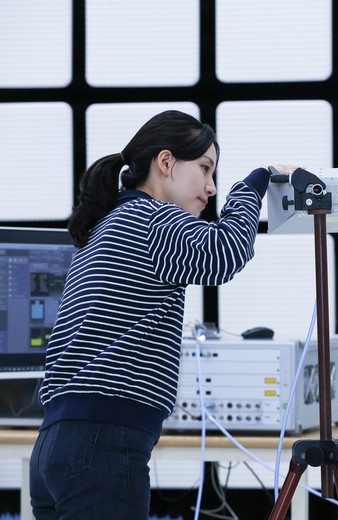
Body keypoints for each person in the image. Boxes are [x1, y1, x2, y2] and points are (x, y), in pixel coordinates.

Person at [28, 110, 274, 519]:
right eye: (205, 168)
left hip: (54, 447)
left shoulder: (107, 223)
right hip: (103, 444)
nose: (212, 187)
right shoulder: (153, 220)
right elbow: (226, 252)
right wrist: (254, 184)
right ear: (165, 162)